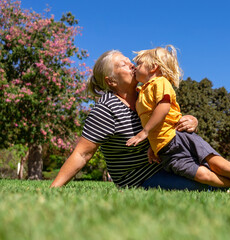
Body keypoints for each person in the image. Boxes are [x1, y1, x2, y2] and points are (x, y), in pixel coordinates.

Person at [50, 49, 214, 191]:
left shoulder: (145, 94)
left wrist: (191, 120)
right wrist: (53, 189)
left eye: (130, 61)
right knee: (207, 185)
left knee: (216, 170)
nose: (132, 65)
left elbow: (169, 121)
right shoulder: (106, 109)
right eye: (123, 64)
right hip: (139, 179)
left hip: (168, 162)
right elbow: (82, 153)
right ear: (111, 81)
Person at [126, 45, 230, 195]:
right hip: (166, 151)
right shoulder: (142, 91)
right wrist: (154, 145)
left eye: (139, 64)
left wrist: (145, 132)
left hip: (179, 138)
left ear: (153, 67)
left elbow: (164, 107)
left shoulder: (160, 83)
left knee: (218, 165)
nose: (135, 67)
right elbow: (151, 119)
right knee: (203, 175)